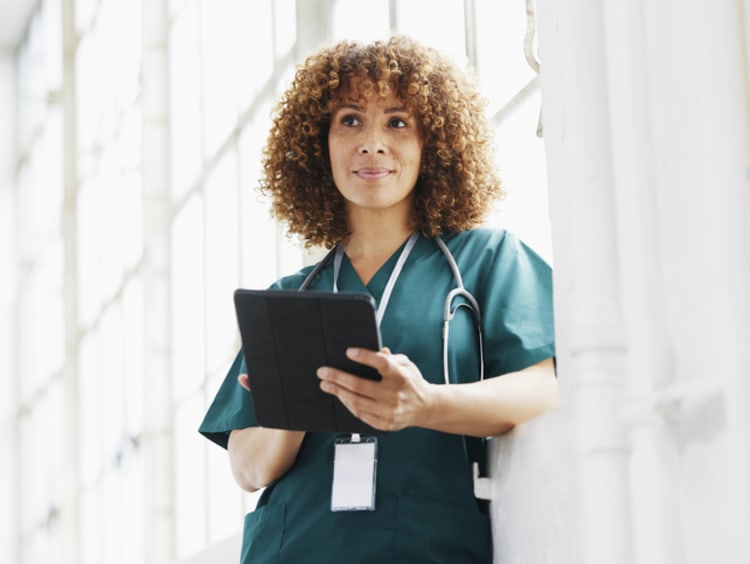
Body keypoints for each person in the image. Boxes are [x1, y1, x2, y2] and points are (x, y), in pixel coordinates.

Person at [199, 35, 557, 563]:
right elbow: (249, 470)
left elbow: (545, 387)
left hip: (422, 544)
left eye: (397, 121)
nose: (371, 143)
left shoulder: (485, 260)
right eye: (349, 120)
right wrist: (293, 405)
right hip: (295, 547)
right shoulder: (289, 298)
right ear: (318, 142)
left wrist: (427, 404)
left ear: (432, 141)